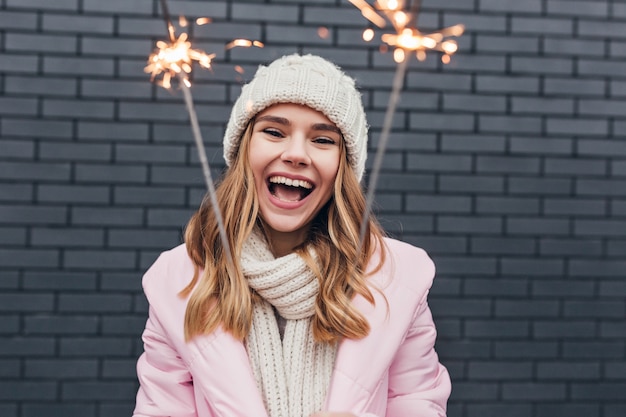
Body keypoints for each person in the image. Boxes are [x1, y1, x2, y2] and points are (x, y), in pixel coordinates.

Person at [133, 53, 451, 417]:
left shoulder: (397, 280)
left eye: (323, 139)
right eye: (274, 131)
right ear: (243, 150)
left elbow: (418, 404)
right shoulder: (180, 283)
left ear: (343, 169)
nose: (296, 154)